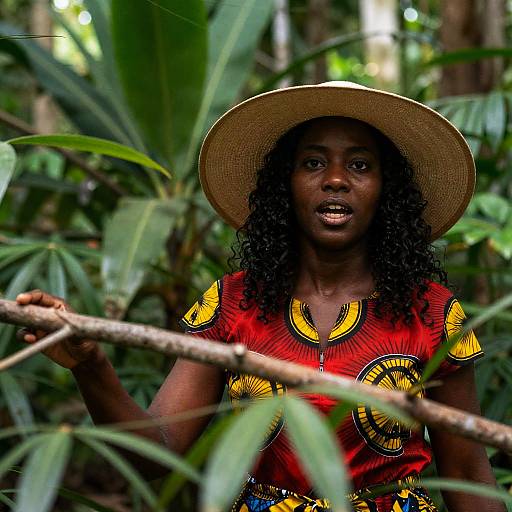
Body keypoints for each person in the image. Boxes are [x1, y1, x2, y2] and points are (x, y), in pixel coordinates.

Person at [16, 82, 504, 512]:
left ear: (386, 189)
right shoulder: (234, 303)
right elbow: (157, 449)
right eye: (313, 162)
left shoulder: (432, 312)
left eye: (359, 164)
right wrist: (90, 363)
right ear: (284, 185)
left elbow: (465, 475)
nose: (336, 179)